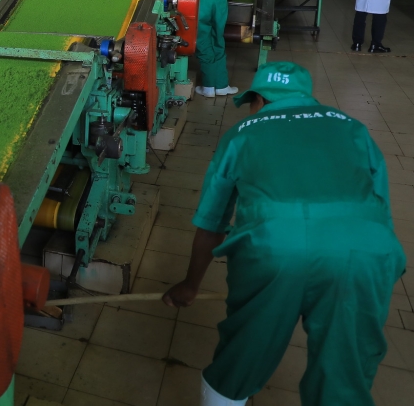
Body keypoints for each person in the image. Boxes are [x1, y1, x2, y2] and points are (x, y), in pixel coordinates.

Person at [162, 61, 405, 406]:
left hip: (275, 247)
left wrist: (190, 286)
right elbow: (380, 206)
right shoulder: (353, 127)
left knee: (244, 354)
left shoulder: (242, 133)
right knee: (343, 374)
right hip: (365, 251)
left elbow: (211, 225)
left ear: (259, 99)